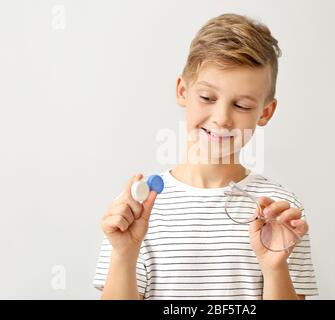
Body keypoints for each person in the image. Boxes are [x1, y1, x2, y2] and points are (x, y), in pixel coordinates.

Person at [93, 13, 318, 300]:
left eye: (241, 104)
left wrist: (275, 268)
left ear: (265, 112)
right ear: (182, 91)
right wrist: (125, 254)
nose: (222, 118)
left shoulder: (280, 211)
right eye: (207, 98)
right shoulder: (138, 208)